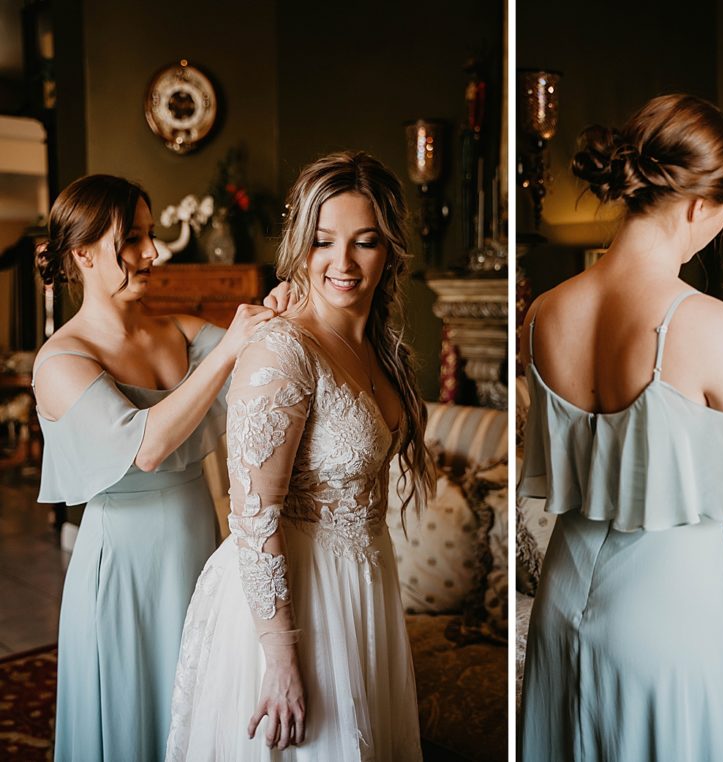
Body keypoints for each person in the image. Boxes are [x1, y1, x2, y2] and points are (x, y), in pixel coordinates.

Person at [517, 94, 723, 761]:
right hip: (670, 604)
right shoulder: (707, 325)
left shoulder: (544, 312)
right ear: (704, 205)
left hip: (563, 594)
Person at [166, 151, 435, 761]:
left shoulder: (381, 352)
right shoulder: (284, 348)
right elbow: (255, 515)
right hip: (291, 607)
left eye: (364, 242)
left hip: (362, 591)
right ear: (300, 244)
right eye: (322, 242)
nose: (341, 263)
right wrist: (280, 656)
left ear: (389, 248)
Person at [32, 174, 276, 762]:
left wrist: (284, 307)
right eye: (134, 239)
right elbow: (145, 447)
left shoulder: (179, 332)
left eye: (150, 234)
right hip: (125, 568)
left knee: (200, 709)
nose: (152, 252)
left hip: (198, 548)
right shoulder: (62, 360)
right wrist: (228, 350)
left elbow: (265, 349)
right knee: (135, 718)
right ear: (83, 253)